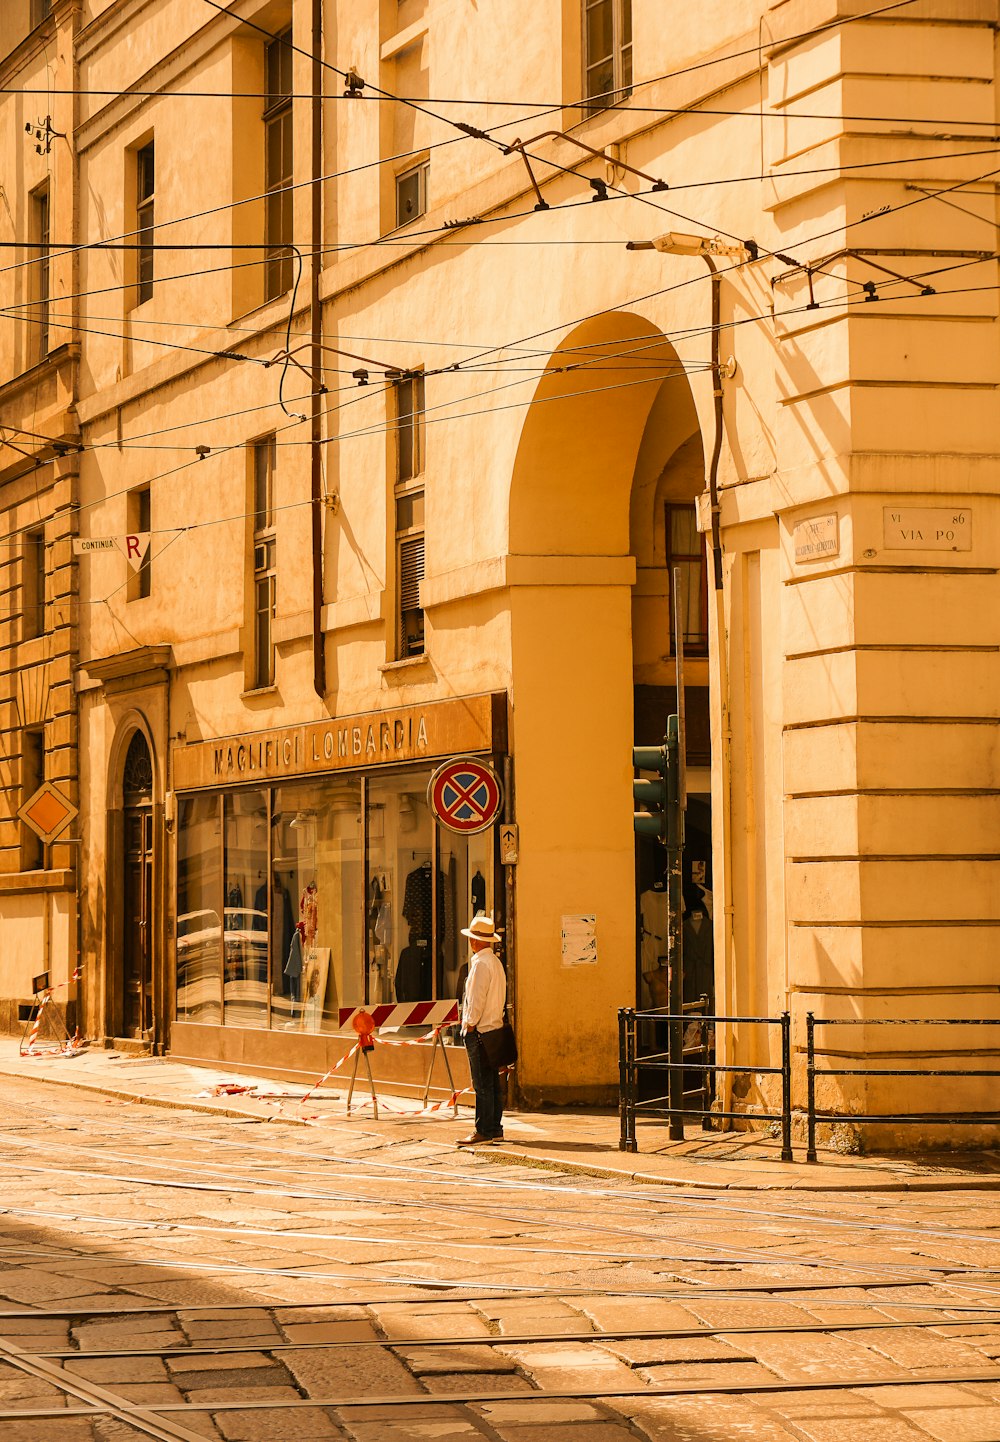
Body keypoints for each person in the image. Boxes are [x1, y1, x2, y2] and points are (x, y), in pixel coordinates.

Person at [457, 912, 506, 1147]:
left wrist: (469, 1025)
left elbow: (476, 1000)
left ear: (474, 940)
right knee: (493, 1082)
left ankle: (483, 1129)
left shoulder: (480, 965)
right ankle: (495, 1127)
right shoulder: (496, 963)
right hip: (495, 1028)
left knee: (482, 1083)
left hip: (480, 1031)